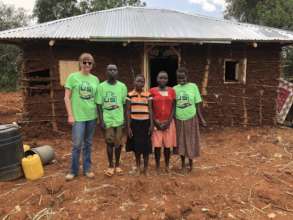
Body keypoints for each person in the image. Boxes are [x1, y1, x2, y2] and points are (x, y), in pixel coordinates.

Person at [64, 53, 99, 181]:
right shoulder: (72, 77)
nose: (87, 65)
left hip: (91, 116)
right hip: (78, 117)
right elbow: (66, 97)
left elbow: (97, 99)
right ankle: (73, 171)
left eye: (89, 62)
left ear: (92, 64)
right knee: (77, 144)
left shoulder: (95, 79)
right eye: (84, 62)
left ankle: (87, 169)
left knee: (88, 144)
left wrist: (98, 116)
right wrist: (70, 114)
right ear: (80, 63)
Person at [173, 67, 207, 173]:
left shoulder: (193, 87)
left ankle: (191, 164)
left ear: (187, 76)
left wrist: (201, 118)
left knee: (191, 141)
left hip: (191, 118)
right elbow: (173, 105)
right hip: (178, 119)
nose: (181, 80)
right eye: (179, 78)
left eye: (183, 78)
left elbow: (197, 105)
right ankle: (183, 164)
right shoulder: (174, 89)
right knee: (181, 142)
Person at [96, 64, 127, 177]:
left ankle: (117, 165)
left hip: (119, 120)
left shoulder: (122, 86)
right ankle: (110, 166)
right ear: (106, 72)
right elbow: (99, 105)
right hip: (107, 120)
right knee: (109, 143)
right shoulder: (101, 87)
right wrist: (101, 120)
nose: (112, 71)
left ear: (117, 72)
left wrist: (124, 119)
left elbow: (124, 104)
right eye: (110, 70)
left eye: (114, 70)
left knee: (118, 144)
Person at [150, 71, 176, 174]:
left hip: (168, 123)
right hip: (157, 123)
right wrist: (155, 121)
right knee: (157, 146)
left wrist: (169, 121)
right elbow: (150, 107)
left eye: (165, 78)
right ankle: (157, 166)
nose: (163, 80)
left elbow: (174, 106)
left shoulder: (171, 91)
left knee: (167, 146)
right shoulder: (152, 91)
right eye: (160, 78)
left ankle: (166, 165)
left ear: (167, 79)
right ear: (157, 79)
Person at [126, 74, 153, 175]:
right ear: (134, 82)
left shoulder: (148, 95)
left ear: (144, 83)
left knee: (146, 148)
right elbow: (128, 111)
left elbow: (150, 110)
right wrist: (128, 127)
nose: (140, 83)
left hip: (145, 123)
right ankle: (138, 167)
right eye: (138, 81)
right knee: (136, 147)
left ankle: (145, 168)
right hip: (135, 124)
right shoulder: (130, 95)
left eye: (142, 81)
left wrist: (151, 124)